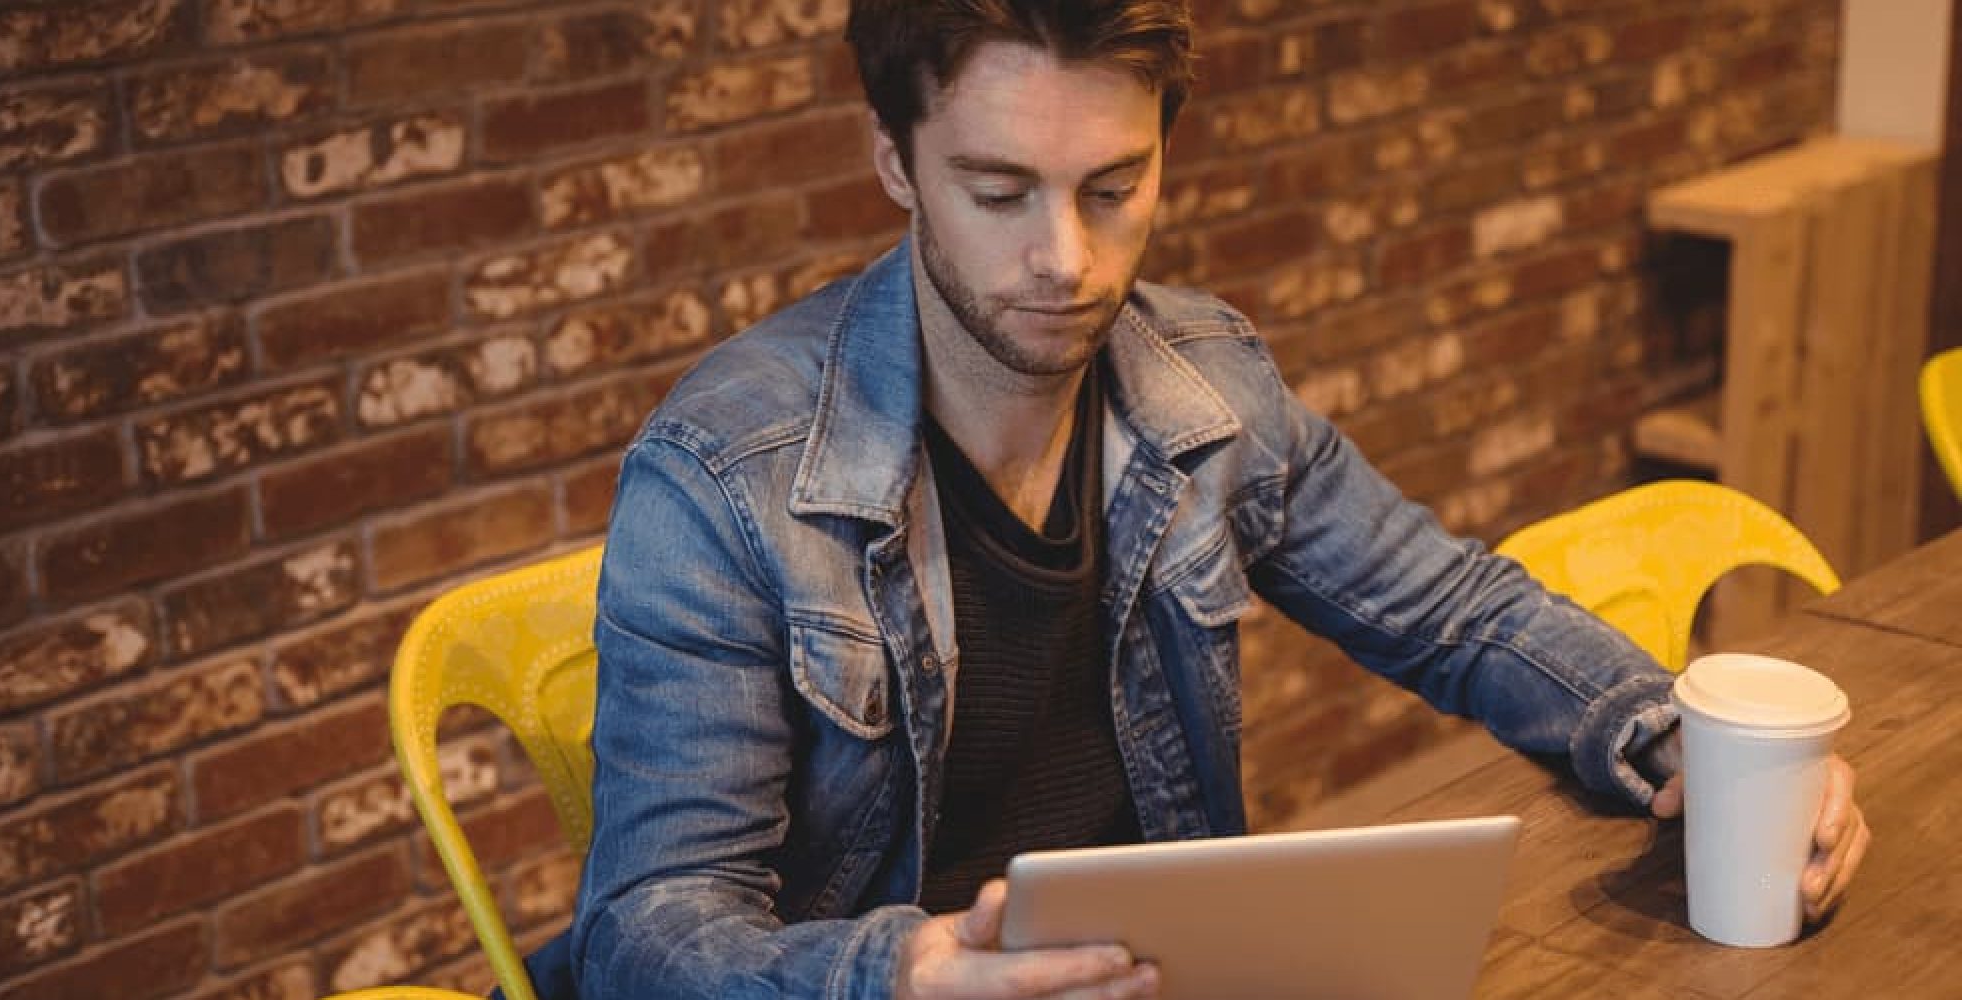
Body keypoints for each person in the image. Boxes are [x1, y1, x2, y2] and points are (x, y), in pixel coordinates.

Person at [552, 2, 1870, 997]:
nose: (1065, 260)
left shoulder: (1205, 387)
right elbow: (650, 926)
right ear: (895, 162)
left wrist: (1667, 736)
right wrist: (909, 972)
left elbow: (1458, 613)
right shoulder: (724, 476)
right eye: (998, 191)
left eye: (1114, 189)